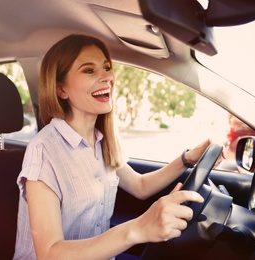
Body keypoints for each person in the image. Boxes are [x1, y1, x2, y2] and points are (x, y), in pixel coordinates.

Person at [13, 34, 215, 259]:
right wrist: (138, 228)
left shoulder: (100, 141)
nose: (107, 77)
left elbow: (140, 185)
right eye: (89, 70)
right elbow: (50, 254)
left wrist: (187, 159)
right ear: (61, 89)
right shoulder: (44, 150)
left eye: (107, 68)